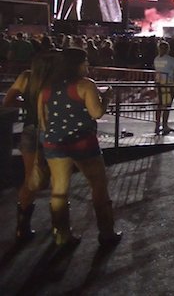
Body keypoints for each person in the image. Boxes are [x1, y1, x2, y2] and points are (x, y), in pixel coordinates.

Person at [38, 47, 121, 246]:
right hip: (82, 143)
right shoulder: (85, 85)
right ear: (77, 64)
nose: (88, 66)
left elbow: (43, 121)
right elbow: (96, 112)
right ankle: (106, 232)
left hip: (55, 142)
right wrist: (107, 98)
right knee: (98, 185)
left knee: (59, 189)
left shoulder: (47, 87)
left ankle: (61, 234)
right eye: (85, 62)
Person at [2, 50, 56, 241]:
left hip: (30, 129)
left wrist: (27, 104)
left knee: (29, 178)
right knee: (59, 177)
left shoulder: (26, 77)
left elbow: (7, 100)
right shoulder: (58, 80)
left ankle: (22, 227)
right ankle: (59, 224)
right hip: (53, 132)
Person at [152, 41, 174, 136]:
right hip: (168, 84)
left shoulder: (156, 59)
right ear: (168, 49)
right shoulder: (171, 59)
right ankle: (165, 125)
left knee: (159, 105)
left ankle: (157, 125)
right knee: (167, 106)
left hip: (158, 83)